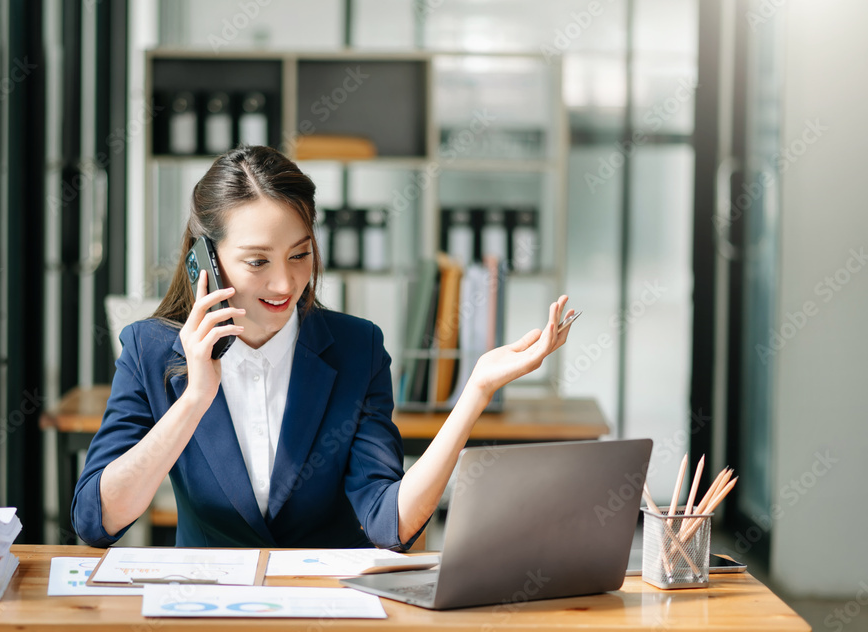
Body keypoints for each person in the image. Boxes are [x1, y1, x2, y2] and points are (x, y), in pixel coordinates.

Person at [72, 145, 574, 550]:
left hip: (331, 611)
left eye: (300, 254)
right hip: (208, 612)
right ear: (206, 261)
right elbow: (97, 522)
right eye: (256, 262)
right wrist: (195, 398)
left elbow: (389, 524)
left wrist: (477, 390)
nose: (284, 283)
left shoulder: (358, 348)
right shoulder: (151, 348)